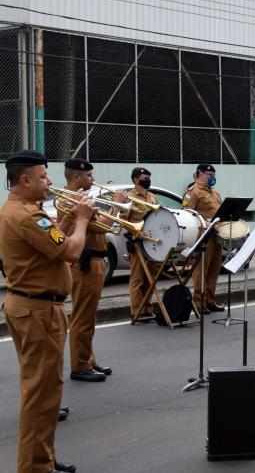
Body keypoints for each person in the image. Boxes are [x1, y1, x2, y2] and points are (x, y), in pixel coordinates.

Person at [2, 150, 96, 473]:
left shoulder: (20, 211)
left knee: (43, 392)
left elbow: (50, 246)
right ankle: (34, 467)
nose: (49, 182)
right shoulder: (29, 216)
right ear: (25, 180)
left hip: (30, 307)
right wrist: (82, 219)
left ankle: (42, 458)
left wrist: (67, 219)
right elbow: (70, 251)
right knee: (41, 396)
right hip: (39, 311)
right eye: (43, 177)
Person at [61, 158, 121, 383]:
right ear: (75, 177)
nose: (92, 179)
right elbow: (101, 226)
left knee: (89, 316)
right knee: (82, 317)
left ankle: (87, 358)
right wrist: (116, 205)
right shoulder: (68, 200)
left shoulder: (82, 199)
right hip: (84, 264)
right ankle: (80, 365)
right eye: (88, 175)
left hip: (95, 261)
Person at [183, 164, 225, 314]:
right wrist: (204, 223)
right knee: (201, 270)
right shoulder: (192, 192)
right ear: (199, 174)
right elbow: (187, 214)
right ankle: (198, 303)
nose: (212, 177)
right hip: (202, 236)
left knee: (214, 269)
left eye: (213, 174)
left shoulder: (215, 193)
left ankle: (210, 301)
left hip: (217, 235)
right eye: (209, 174)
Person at [126, 166, 159, 322]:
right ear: (135, 180)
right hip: (138, 241)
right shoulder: (129, 197)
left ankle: (147, 308)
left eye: (148, 178)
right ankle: (136, 311)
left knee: (150, 277)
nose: (148, 181)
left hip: (151, 242)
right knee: (137, 278)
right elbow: (123, 220)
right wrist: (136, 233)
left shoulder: (152, 197)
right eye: (144, 178)